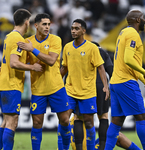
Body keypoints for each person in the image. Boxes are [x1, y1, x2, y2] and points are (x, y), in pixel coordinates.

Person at [17, 13, 72, 150]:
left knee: (65, 120)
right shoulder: (28, 42)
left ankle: (64, 148)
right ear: (36, 25)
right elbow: (20, 63)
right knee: (36, 123)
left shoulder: (55, 39)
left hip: (56, 87)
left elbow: (51, 61)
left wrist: (33, 50)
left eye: (49, 24)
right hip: (38, 90)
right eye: (44, 24)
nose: (47, 27)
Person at [104, 10, 145, 150]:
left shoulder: (123, 33)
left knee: (116, 122)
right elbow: (128, 59)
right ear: (138, 20)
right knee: (142, 117)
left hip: (115, 82)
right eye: (144, 19)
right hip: (125, 82)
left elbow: (126, 63)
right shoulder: (134, 34)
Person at [60, 19, 109, 150]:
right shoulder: (67, 47)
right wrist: (57, 82)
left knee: (88, 122)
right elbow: (64, 68)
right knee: (64, 119)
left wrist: (105, 86)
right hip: (70, 90)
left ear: (84, 31)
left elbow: (101, 68)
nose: (73, 31)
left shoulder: (92, 48)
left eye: (76, 28)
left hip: (87, 91)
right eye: (72, 28)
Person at [0, 9, 43, 150]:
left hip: (5, 84)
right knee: (12, 122)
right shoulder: (18, 39)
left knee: (6, 122)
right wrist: (33, 68)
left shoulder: (8, 37)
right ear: (26, 22)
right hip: (12, 86)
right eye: (29, 22)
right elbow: (14, 63)